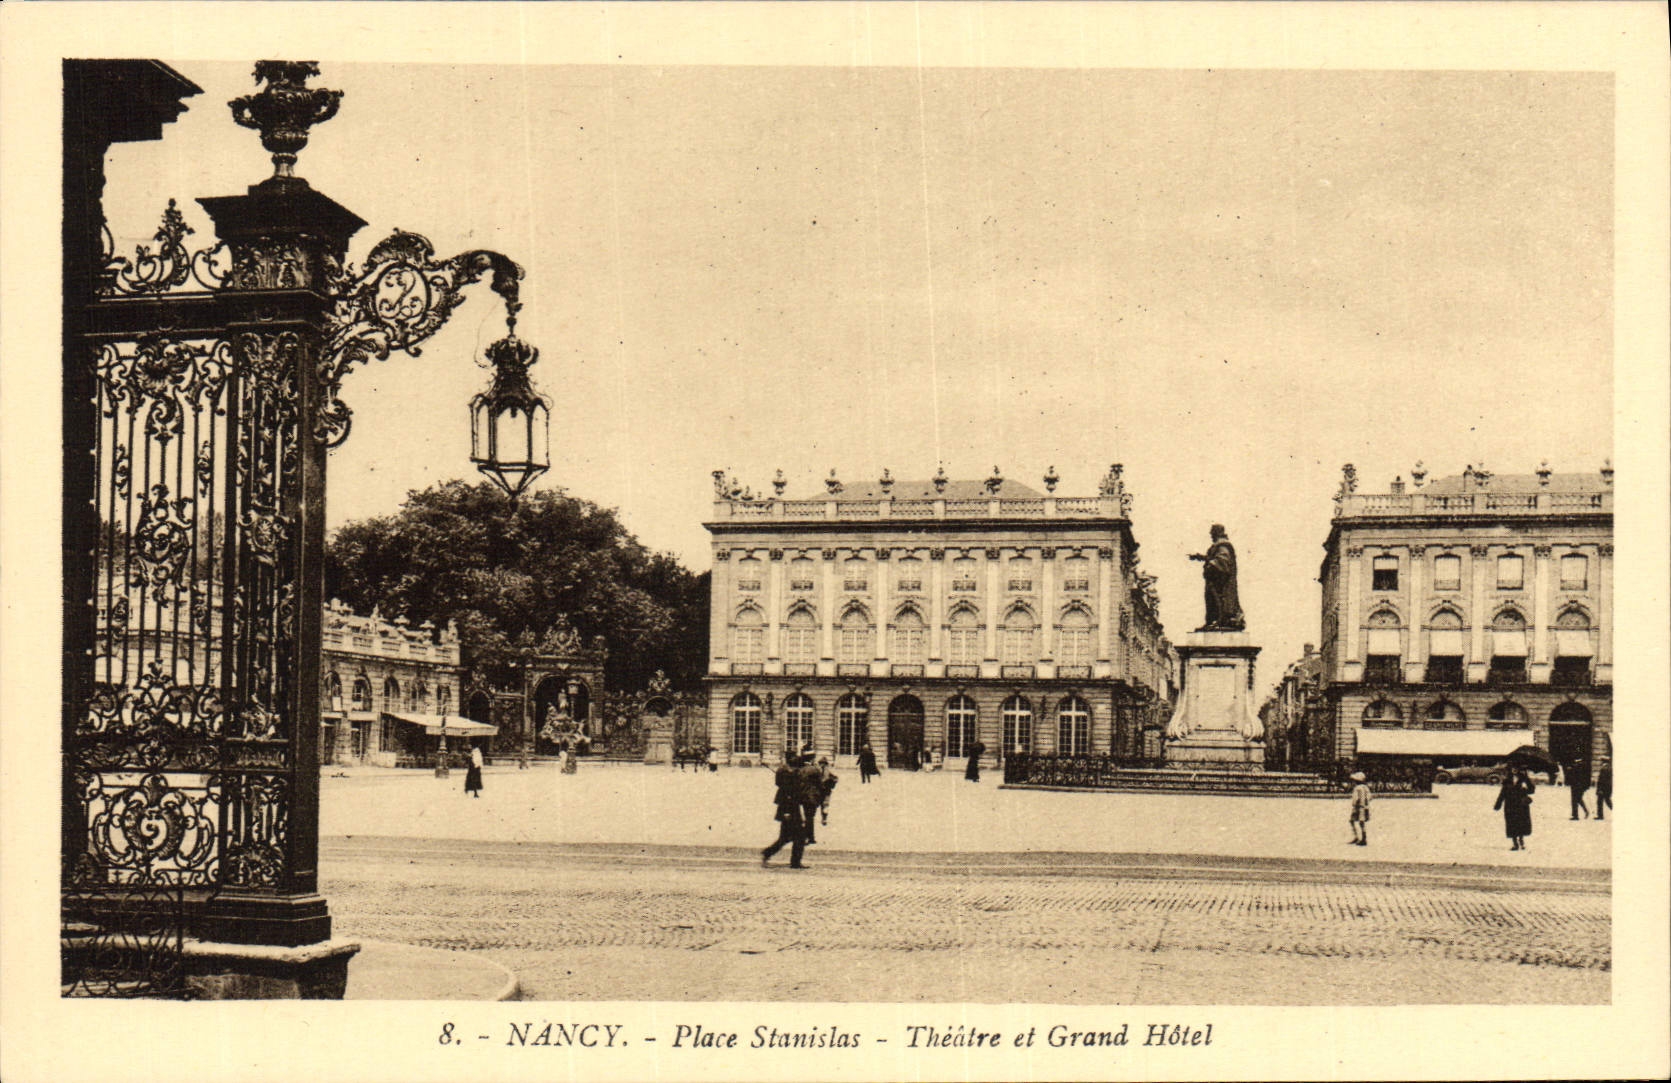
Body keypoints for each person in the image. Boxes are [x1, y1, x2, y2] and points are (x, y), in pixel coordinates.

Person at [762, 754, 808, 869]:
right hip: (789, 809)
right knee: (799, 837)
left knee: (785, 838)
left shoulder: (787, 775)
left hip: (791, 809)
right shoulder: (787, 779)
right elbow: (787, 796)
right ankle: (795, 862)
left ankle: (768, 853)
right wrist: (787, 812)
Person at [1493, 764, 1535, 850]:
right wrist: (1498, 804)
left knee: (1521, 823)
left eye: (1516, 768)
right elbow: (1503, 793)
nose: (1514, 770)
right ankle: (1515, 843)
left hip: (1521, 805)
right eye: (1513, 768)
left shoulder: (1524, 778)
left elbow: (1532, 790)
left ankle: (1521, 840)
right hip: (1510, 805)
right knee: (1511, 824)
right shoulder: (1507, 780)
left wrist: (1526, 788)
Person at [797, 754, 825, 845]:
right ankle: (808, 837)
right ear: (812, 759)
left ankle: (808, 837)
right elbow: (820, 784)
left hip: (802, 796)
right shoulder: (815, 770)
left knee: (806, 816)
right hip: (813, 797)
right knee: (810, 817)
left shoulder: (800, 770)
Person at [1347, 770, 1371, 846]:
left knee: (1352, 821)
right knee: (1362, 822)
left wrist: (1354, 804)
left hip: (1358, 807)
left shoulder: (1357, 788)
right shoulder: (1366, 788)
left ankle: (1357, 837)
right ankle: (1363, 838)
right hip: (1365, 807)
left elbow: (1355, 798)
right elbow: (1369, 797)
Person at [815, 756, 838, 826]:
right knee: (818, 804)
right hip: (818, 790)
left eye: (823, 763)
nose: (821, 765)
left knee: (825, 804)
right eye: (820, 763)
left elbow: (835, 778)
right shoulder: (817, 770)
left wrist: (831, 783)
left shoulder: (829, 770)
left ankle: (824, 818)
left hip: (826, 790)